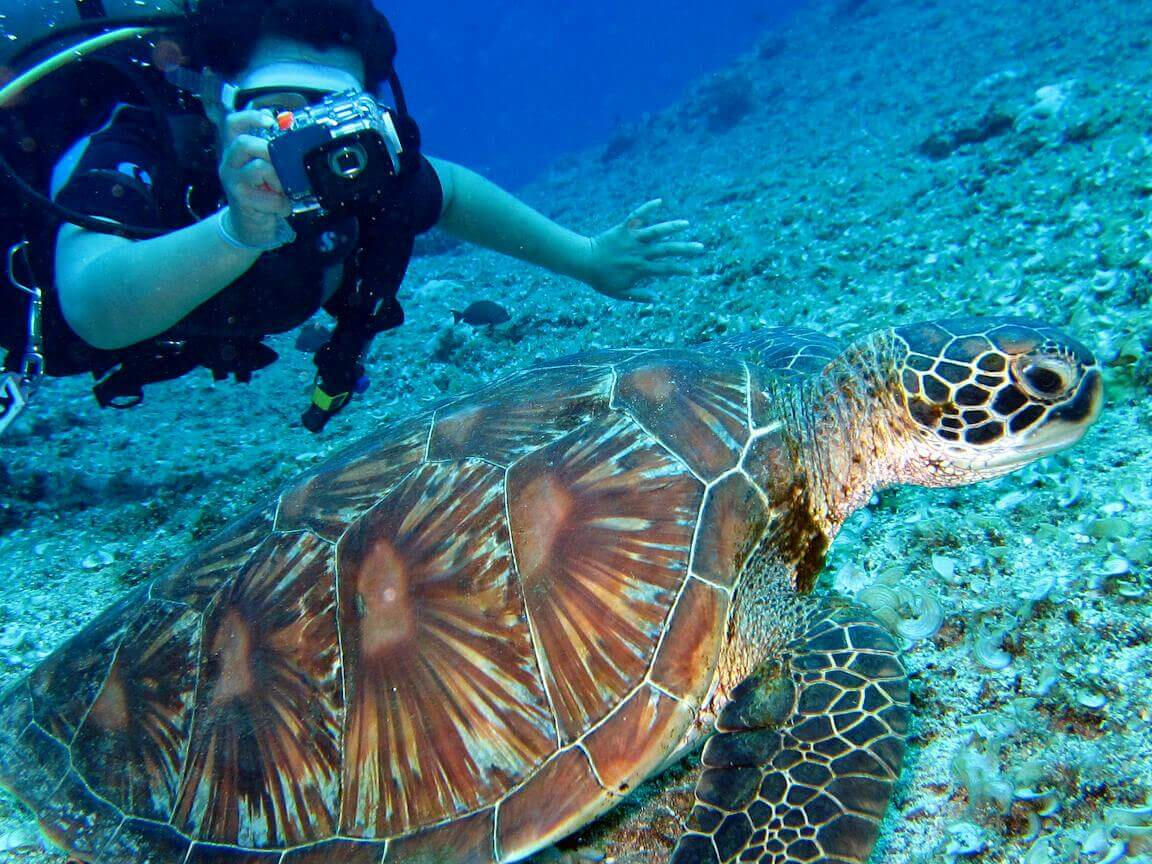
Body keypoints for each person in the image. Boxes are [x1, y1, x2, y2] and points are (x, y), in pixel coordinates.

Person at [46, 0, 705, 430]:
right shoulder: (141, 150)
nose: (308, 138)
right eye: (281, 109)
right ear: (215, 102)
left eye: (334, 112)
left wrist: (586, 258)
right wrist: (234, 233)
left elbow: (451, 191)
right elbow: (93, 306)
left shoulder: (360, 178)